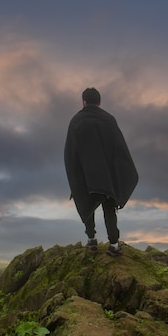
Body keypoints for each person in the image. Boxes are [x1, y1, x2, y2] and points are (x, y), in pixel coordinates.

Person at [64, 87, 138, 256]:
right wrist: (118, 174)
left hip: (86, 175)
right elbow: (119, 149)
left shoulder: (76, 121)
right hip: (107, 175)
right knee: (109, 208)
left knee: (86, 202)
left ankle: (91, 241)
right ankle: (114, 244)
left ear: (83, 102)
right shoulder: (109, 120)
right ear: (99, 102)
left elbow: (71, 151)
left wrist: (75, 175)